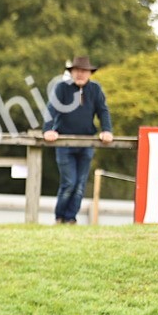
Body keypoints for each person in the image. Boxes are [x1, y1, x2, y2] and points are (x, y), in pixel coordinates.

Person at [43, 55, 113, 224]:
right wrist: (48, 130)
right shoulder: (62, 88)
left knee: (80, 185)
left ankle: (71, 218)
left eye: (84, 71)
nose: (80, 74)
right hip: (65, 142)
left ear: (89, 73)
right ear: (72, 72)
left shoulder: (95, 89)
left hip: (87, 142)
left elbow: (103, 111)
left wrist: (106, 130)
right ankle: (59, 217)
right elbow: (51, 110)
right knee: (69, 183)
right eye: (77, 71)